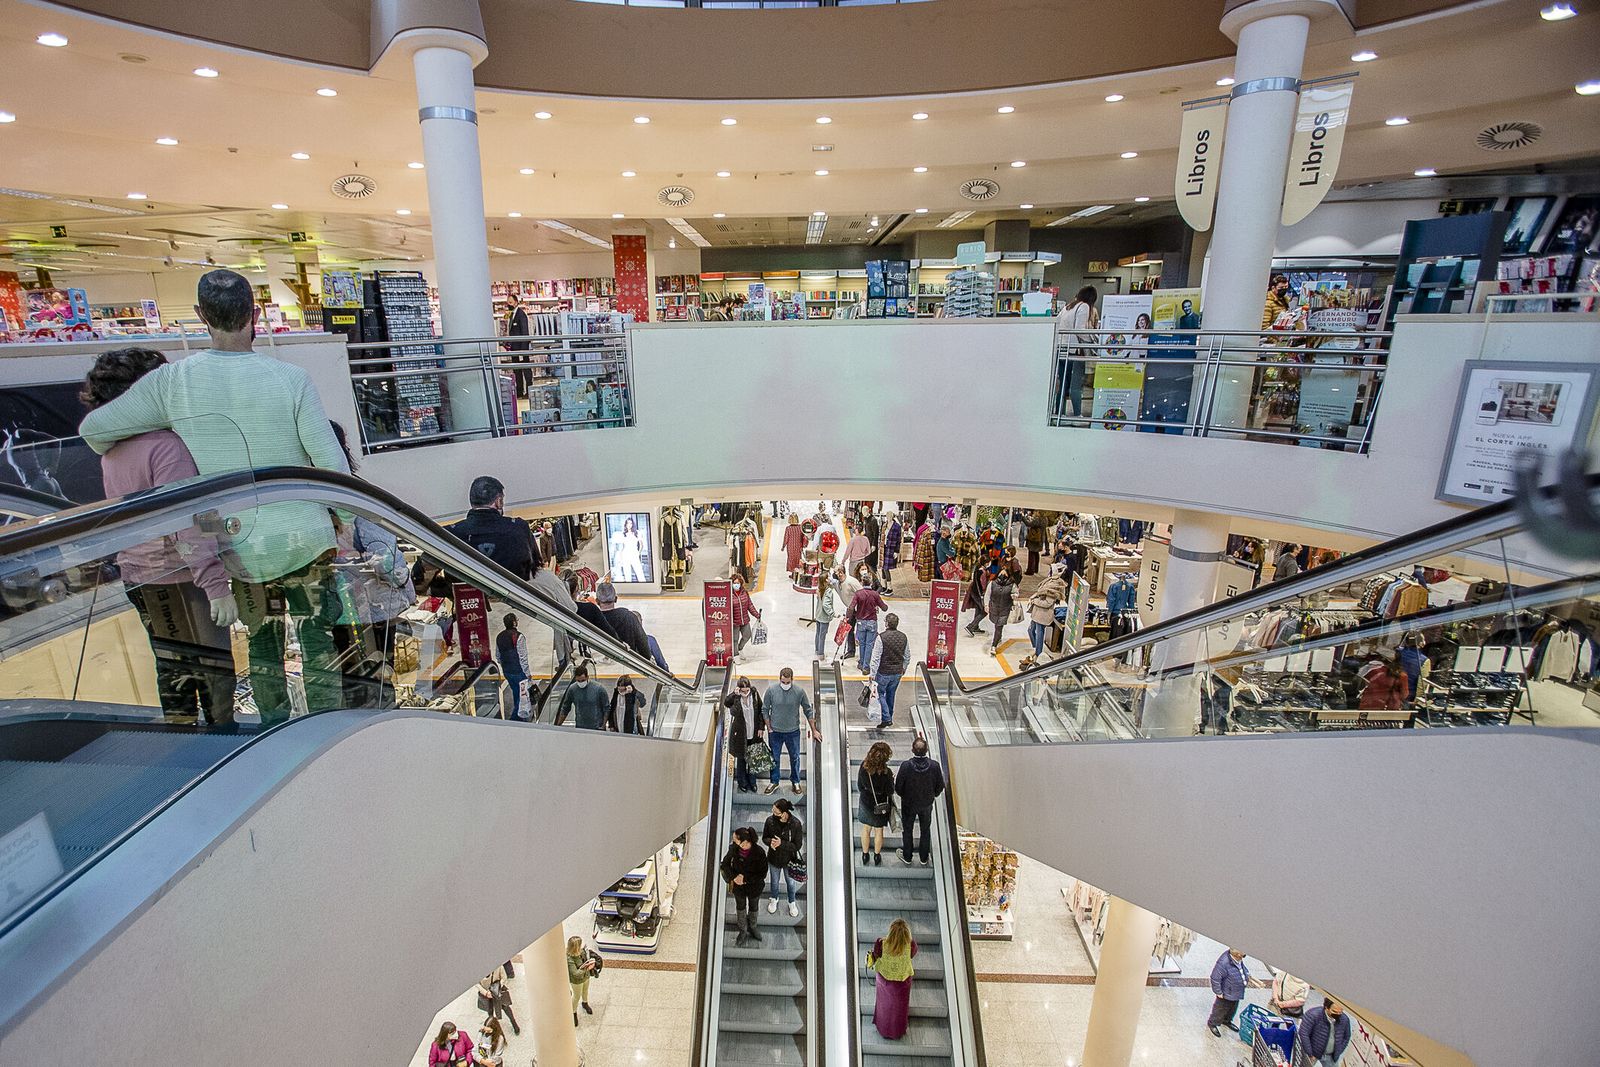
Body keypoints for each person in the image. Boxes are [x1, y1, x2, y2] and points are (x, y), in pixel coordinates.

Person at [79, 268, 349, 724]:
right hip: (304, 537)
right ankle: (327, 729)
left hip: (238, 545)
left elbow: (94, 431)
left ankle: (274, 732)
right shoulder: (291, 378)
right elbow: (330, 462)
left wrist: (169, 424)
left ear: (200, 315)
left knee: (263, 647)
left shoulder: (173, 383)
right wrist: (348, 522)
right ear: (255, 315)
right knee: (317, 642)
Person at [79, 347, 238, 727]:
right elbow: (191, 518)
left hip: (139, 575)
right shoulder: (167, 446)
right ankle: (225, 746)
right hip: (183, 578)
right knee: (215, 673)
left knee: (172, 668)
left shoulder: (112, 449)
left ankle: (180, 743)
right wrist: (217, 581)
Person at [326, 420, 413, 709]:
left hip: (333, 608)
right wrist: (402, 579)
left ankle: (355, 715)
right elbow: (385, 558)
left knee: (348, 672)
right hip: (371, 607)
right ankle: (380, 716)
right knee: (379, 671)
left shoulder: (310, 498)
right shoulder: (354, 494)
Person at [445, 475, 540, 580]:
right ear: (499, 501)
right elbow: (536, 566)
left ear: (472, 501)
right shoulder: (519, 528)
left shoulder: (450, 533)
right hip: (513, 590)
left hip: (465, 590)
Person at [763, 667, 817, 794]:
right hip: (775, 732)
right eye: (783, 682)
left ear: (792, 679)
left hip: (793, 732)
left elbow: (808, 710)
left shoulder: (799, 692)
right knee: (774, 758)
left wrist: (814, 730)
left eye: (788, 682)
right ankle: (774, 781)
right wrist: (769, 727)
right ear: (779, 679)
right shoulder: (771, 691)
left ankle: (795, 781)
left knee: (795, 757)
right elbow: (765, 709)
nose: (785, 684)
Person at [894, 736, 945, 866]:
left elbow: (898, 787)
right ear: (926, 750)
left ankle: (907, 856)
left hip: (908, 804)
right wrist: (932, 795)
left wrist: (904, 796)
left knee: (907, 829)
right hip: (926, 804)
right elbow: (940, 785)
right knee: (925, 830)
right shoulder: (934, 766)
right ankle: (924, 857)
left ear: (912, 750)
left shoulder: (906, 766)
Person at [868, 917, 918, 1040]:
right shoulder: (911, 945)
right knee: (899, 1007)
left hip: (884, 979)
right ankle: (897, 1030)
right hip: (902, 981)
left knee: (884, 1004)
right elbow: (912, 955)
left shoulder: (881, 943)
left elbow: (876, 955)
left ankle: (883, 1028)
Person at [720, 826, 768, 947]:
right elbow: (724, 864)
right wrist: (734, 877)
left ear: (745, 842)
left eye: (735, 839)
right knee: (740, 907)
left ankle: (753, 927)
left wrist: (745, 879)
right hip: (738, 887)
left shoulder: (759, 852)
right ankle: (743, 930)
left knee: (754, 906)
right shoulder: (733, 849)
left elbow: (762, 874)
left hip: (754, 887)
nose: (733, 841)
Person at [530, 551, 577, 671]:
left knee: (561, 635)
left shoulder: (529, 579)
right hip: (559, 615)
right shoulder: (548, 577)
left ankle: (564, 661)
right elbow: (572, 607)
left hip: (551, 614)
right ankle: (564, 661)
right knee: (562, 635)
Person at [1057, 285, 1100, 416]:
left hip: (1061, 348)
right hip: (1075, 350)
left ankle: (1059, 413)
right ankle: (1077, 415)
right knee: (1076, 385)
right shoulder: (1084, 307)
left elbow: (1057, 323)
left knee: (1063, 384)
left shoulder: (1067, 307)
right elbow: (1079, 330)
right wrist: (1093, 338)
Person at [763, 796, 806, 918]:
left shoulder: (795, 824)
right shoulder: (770, 821)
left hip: (789, 860)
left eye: (776, 812)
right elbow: (765, 837)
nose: (773, 814)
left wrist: (781, 843)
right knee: (774, 882)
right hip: (774, 858)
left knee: (791, 883)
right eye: (773, 811)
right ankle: (774, 898)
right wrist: (770, 842)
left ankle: (791, 902)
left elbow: (797, 845)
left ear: (784, 813)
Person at [723, 675, 766, 792]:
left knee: (753, 758)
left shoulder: (754, 694)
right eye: (743, 691)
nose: (746, 693)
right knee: (741, 759)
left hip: (754, 733)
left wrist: (761, 727)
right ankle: (742, 782)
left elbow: (761, 711)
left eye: (747, 690)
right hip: (741, 734)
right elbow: (726, 703)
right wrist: (734, 694)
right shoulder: (736, 698)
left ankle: (752, 782)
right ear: (739, 689)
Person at [1023, 562, 1069, 669]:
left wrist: (1034, 601)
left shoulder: (1055, 586)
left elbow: (1048, 603)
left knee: (1039, 633)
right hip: (1038, 612)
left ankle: (1038, 654)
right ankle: (1036, 649)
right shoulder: (1049, 581)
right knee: (1031, 630)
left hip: (1043, 614)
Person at [868, 612, 909, 728]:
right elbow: (907, 656)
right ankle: (889, 715)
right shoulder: (903, 637)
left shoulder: (881, 637)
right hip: (897, 672)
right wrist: (904, 668)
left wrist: (872, 673)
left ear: (886, 623)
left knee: (880, 693)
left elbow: (876, 657)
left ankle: (886, 718)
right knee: (891, 694)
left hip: (883, 672)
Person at [857, 739, 895, 866]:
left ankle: (865, 854)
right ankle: (877, 855)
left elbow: (860, 786)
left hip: (866, 803)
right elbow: (890, 791)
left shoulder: (864, 768)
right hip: (881, 806)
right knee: (879, 830)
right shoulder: (887, 773)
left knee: (866, 829)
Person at [594, 581, 652, 660]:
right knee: (651, 640)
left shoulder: (593, 619)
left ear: (597, 601)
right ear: (616, 599)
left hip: (606, 658)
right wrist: (648, 659)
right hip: (629, 658)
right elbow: (642, 642)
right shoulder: (627, 616)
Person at [848, 578, 890, 676]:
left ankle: (861, 663)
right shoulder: (875, 594)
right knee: (869, 644)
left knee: (862, 643)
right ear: (871, 583)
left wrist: (848, 617)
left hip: (860, 622)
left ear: (862, 583)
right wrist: (884, 606)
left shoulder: (858, 594)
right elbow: (884, 608)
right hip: (872, 622)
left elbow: (851, 607)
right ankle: (866, 667)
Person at [1295, 998, 1352, 1066]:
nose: (1338, 1014)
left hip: (1330, 1056)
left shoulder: (1344, 1019)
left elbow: (1346, 1036)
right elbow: (1304, 1034)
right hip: (1313, 1053)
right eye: (1334, 1011)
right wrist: (1309, 1053)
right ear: (1326, 1008)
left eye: (1340, 1012)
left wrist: (1338, 1051)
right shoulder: (1313, 1015)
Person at [1206, 948, 1250, 1036]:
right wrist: (1218, 992)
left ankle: (1227, 1020)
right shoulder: (1223, 963)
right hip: (1227, 992)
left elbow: (1241, 968)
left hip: (1236, 991)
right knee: (1220, 1009)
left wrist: (1246, 974)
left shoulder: (1238, 960)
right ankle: (1213, 1023)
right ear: (1238, 954)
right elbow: (1215, 978)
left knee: (1232, 1008)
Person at [496, 613, 531, 720]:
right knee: (522, 696)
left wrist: (504, 665)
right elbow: (523, 657)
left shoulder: (499, 636)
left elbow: (498, 655)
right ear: (514, 623)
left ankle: (520, 716)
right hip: (519, 671)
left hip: (507, 671)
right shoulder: (519, 636)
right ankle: (516, 718)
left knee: (516, 692)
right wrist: (527, 673)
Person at [556, 663, 608, 728]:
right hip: (580, 727)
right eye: (578, 680)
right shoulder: (572, 689)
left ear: (587, 677)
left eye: (583, 680)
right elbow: (565, 708)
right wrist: (558, 725)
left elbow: (606, 708)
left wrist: (603, 726)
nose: (580, 683)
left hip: (597, 727)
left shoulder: (599, 689)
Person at [477, 965, 520, 1036]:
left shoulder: (498, 966)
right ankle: (492, 1027)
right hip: (486, 994)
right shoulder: (477, 969)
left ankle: (513, 1022)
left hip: (498, 991)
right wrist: (485, 992)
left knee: (506, 1007)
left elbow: (504, 977)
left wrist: (497, 987)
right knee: (490, 1011)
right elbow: (476, 984)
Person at [832, 565, 862, 660]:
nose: (834, 574)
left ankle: (864, 655)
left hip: (859, 609)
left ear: (841, 573)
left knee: (862, 631)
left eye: (835, 572)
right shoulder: (838, 583)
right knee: (849, 629)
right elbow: (830, 582)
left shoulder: (851, 582)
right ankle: (851, 651)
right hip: (850, 609)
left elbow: (862, 594)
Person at [729, 573, 762, 659]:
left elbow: (749, 605)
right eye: (734, 583)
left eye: (738, 583)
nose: (736, 585)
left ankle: (740, 648)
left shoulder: (744, 592)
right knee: (735, 639)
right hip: (734, 622)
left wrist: (756, 615)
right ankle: (735, 655)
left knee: (747, 635)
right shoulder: (728, 594)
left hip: (744, 620)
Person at [566, 936, 597, 1025]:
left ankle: (585, 1003)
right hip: (576, 981)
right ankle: (573, 1012)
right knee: (576, 996)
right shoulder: (569, 959)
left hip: (586, 977)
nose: (581, 946)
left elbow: (586, 959)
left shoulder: (582, 952)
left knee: (585, 991)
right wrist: (586, 968)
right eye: (579, 945)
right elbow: (575, 974)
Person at [984, 570, 1015, 656]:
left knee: (999, 626)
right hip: (994, 608)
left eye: (1005, 573)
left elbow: (1016, 593)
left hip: (1005, 609)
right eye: (1001, 573)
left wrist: (1014, 596)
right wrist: (986, 605)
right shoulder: (992, 583)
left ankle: (994, 645)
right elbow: (987, 594)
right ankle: (998, 637)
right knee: (996, 625)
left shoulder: (1012, 585)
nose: (1002, 575)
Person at [609, 515, 646, 582]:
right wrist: (620, 558)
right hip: (625, 555)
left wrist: (638, 553)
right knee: (627, 575)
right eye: (628, 523)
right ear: (625, 524)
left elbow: (641, 545)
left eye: (631, 523)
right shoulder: (623, 534)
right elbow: (622, 547)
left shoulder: (637, 533)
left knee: (640, 574)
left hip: (634, 554)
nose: (629, 525)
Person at [812, 570, 836, 658]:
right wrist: (832, 613)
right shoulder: (828, 591)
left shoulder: (819, 589)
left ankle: (817, 650)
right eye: (829, 576)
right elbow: (826, 604)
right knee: (822, 636)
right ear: (826, 580)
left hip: (818, 615)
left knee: (818, 634)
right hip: (824, 617)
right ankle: (821, 654)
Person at [880, 512, 902, 593]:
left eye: (890, 516)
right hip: (883, 548)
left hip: (891, 549)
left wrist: (896, 551)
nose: (888, 517)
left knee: (886, 568)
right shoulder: (884, 525)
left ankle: (890, 588)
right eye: (887, 516)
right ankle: (883, 586)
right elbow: (881, 536)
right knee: (882, 568)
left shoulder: (897, 526)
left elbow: (898, 540)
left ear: (892, 516)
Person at [782, 513, 807, 580]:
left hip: (790, 547)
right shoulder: (800, 527)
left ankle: (793, 573)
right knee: (798, 559)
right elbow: (804, 537)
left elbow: (786, 538)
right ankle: (797, 573)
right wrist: (804, 545)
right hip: (799, 546)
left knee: (791, 559)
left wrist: (783, 546)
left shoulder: (788, 528)